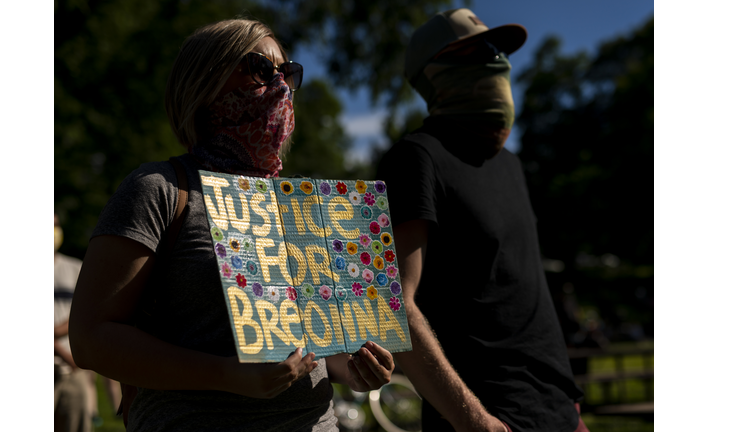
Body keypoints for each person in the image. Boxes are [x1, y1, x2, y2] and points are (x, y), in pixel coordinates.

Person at [69, 18, 394, 432]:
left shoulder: (307, 206)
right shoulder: (160, 189)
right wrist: (228, 375)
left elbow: (319, 345)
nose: (279, 85)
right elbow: (91, 338)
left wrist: (355, 367)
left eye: (288, 73)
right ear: (203, 79)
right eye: (261, 68)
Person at [377, 9, 588, 432]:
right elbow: (395, 303)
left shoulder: (510, 164)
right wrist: (474, 422)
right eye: (478, 50)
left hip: (559, 414)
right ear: (433, 72)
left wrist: (570, 405)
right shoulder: (417, 158)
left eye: (498, 49)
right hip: (492, 418)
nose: (497, 60)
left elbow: (524, 295)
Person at [54, 214, 92, 432]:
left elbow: (84, 312)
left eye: (55, 225)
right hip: (69, 361)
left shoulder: (74, 267)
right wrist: (61, 351)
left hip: (72, 373)